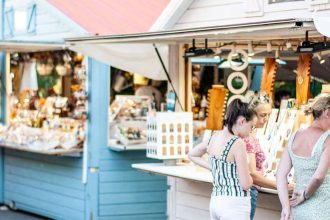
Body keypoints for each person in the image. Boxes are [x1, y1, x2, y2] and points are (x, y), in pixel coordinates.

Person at [188, 99, 256, 220]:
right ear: (242, 121)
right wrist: (252, 178)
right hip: (235, 204)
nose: (251, 131)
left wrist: (213, 167)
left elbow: (192, 154)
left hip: (216, 201)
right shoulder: (237, 143)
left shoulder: (214, 137)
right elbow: (245, 184)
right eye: (251, 126)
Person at [277, 93, 330, 220]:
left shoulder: (296, 135)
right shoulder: (327, 139)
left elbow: (280, 174)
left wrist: (286, 207)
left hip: (297, 210)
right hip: (322, 209)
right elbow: (318, 177)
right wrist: (305, 195)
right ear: (327, 113)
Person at [244, 91, 294, 220]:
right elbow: (252, 175)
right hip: (248, 194)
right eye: (263, 115)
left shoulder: (251, 134)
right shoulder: (248, 138)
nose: (266, 119)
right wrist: (281, 186)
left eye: (268, 115)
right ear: (251, 113)